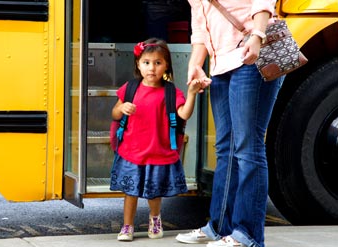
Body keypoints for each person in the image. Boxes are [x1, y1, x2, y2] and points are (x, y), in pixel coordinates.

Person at [175, 1, 285, 247]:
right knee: (225, 148)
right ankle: (219, 226)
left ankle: (247, 235)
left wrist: (257, 35)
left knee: (248, 148)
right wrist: (195, 62)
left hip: (251, 54)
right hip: (221, 63)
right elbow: (201, 22)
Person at [110, 37, 211, 242]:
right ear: (138, 64)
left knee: (154, 193)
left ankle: (155, 218)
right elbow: (114, 114)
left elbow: (183, 114)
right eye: (147, 62)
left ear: (166, 66)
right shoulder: (130, 88)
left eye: (158, 63)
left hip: (158, 150)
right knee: (130, 192)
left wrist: (192, 94)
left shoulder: (171, 92)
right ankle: (127, 225)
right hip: (132, 151)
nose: (152, 68)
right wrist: (121, 108)